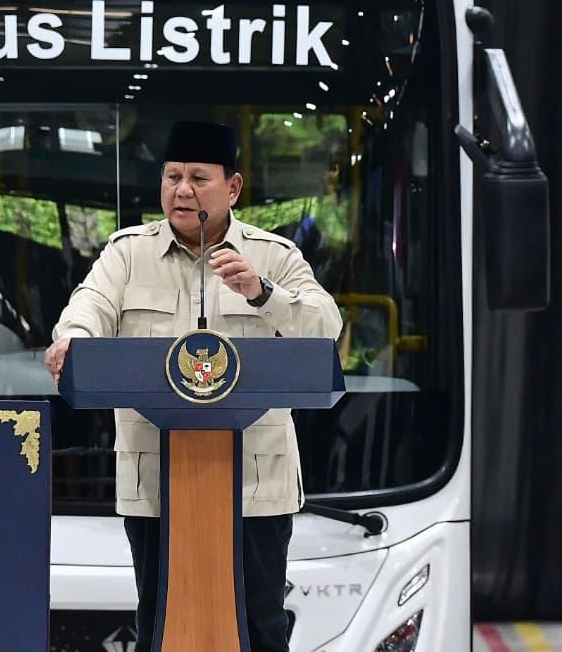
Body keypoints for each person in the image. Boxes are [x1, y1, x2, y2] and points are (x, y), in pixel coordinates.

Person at [44, 120, 343, 652]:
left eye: (198, 178)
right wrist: (72, 340)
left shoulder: (273, 255)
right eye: (173, 176)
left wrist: (261, 292)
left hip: (257, 485)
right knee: (160, 625)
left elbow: (326, 327)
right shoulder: (127, 253)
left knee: (261, 629)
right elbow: (88, 307)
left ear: (232, 187)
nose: (182, 190)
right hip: (157, 483)